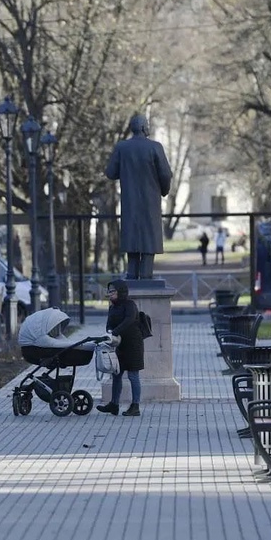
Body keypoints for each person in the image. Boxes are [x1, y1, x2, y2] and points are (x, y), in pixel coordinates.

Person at [105, 114, 173, 280]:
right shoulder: (155, 147)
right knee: (149, 238)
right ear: (144, 128)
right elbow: (166, 175)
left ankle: (132, 274)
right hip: (151, 202)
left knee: (132, 236)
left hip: (130, 202)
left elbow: (110, 173)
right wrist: (163, 191)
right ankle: (146, 274)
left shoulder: (122, 147)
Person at [96, 279, 144, 417]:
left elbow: (129, 320)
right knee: (116, 374)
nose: (110, 294)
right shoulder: (112, 307)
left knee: (133, 375)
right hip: (118, 345)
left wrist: (115, 332)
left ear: (120, 292)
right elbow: (109, 323)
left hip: (133, 344)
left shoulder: (130, 305)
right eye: (109, 291)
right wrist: (110, 332)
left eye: (113, 291)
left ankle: (135, 406)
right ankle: (114, 404)